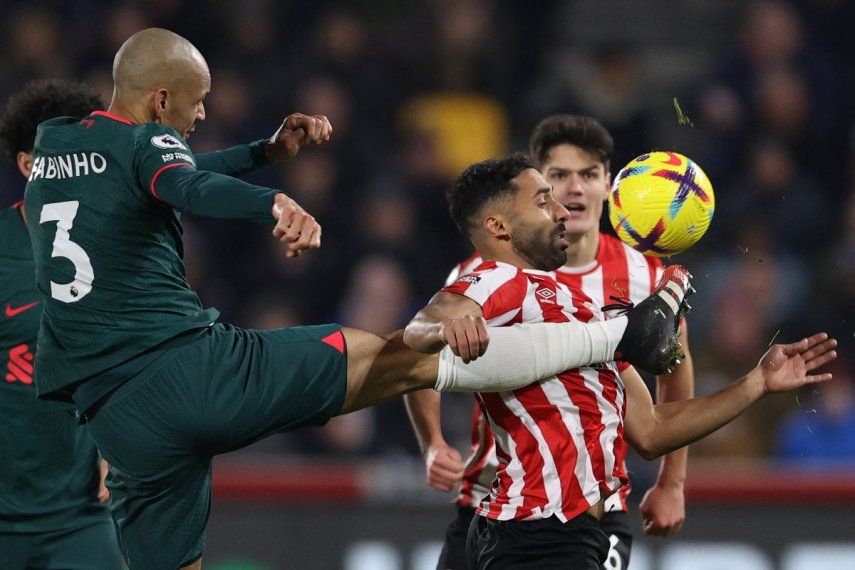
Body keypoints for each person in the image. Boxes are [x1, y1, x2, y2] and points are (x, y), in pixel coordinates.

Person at [22, 29, 686, 569]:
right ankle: (614, 336)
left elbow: (165, 171)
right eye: (196, 104)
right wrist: (273, 201)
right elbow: (184, 185)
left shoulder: (59, 144)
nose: (202, 116)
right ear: (160, 99)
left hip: (115, 417)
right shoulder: (152, 143)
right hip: (189, 373)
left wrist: (263, 152)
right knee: (394, 354)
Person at [403, 154, 836, 569]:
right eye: (542, 200)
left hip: (562, 533)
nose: (561, 211)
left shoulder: (578, 309)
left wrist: (756, 382)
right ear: (498, 226)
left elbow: (650, 430)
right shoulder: (498, 280)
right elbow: (420, 328)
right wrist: (443, 330)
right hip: (537, 534)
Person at [405, 115, 693, 570]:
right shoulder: (481, 274)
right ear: (540, 190)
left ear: (608, 187)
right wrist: (433, 442)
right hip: (488, 496)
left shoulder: (646, 279)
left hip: (593, 508)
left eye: (589, 175)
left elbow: (673, 376)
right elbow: (418, 357)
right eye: (559, 176)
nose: (574, 189)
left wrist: (672, 482)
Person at [0, 79, 123, 570]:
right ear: (28, 165)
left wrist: (117, 444)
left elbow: (131, 360)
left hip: (81, 515)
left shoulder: (112, 249)